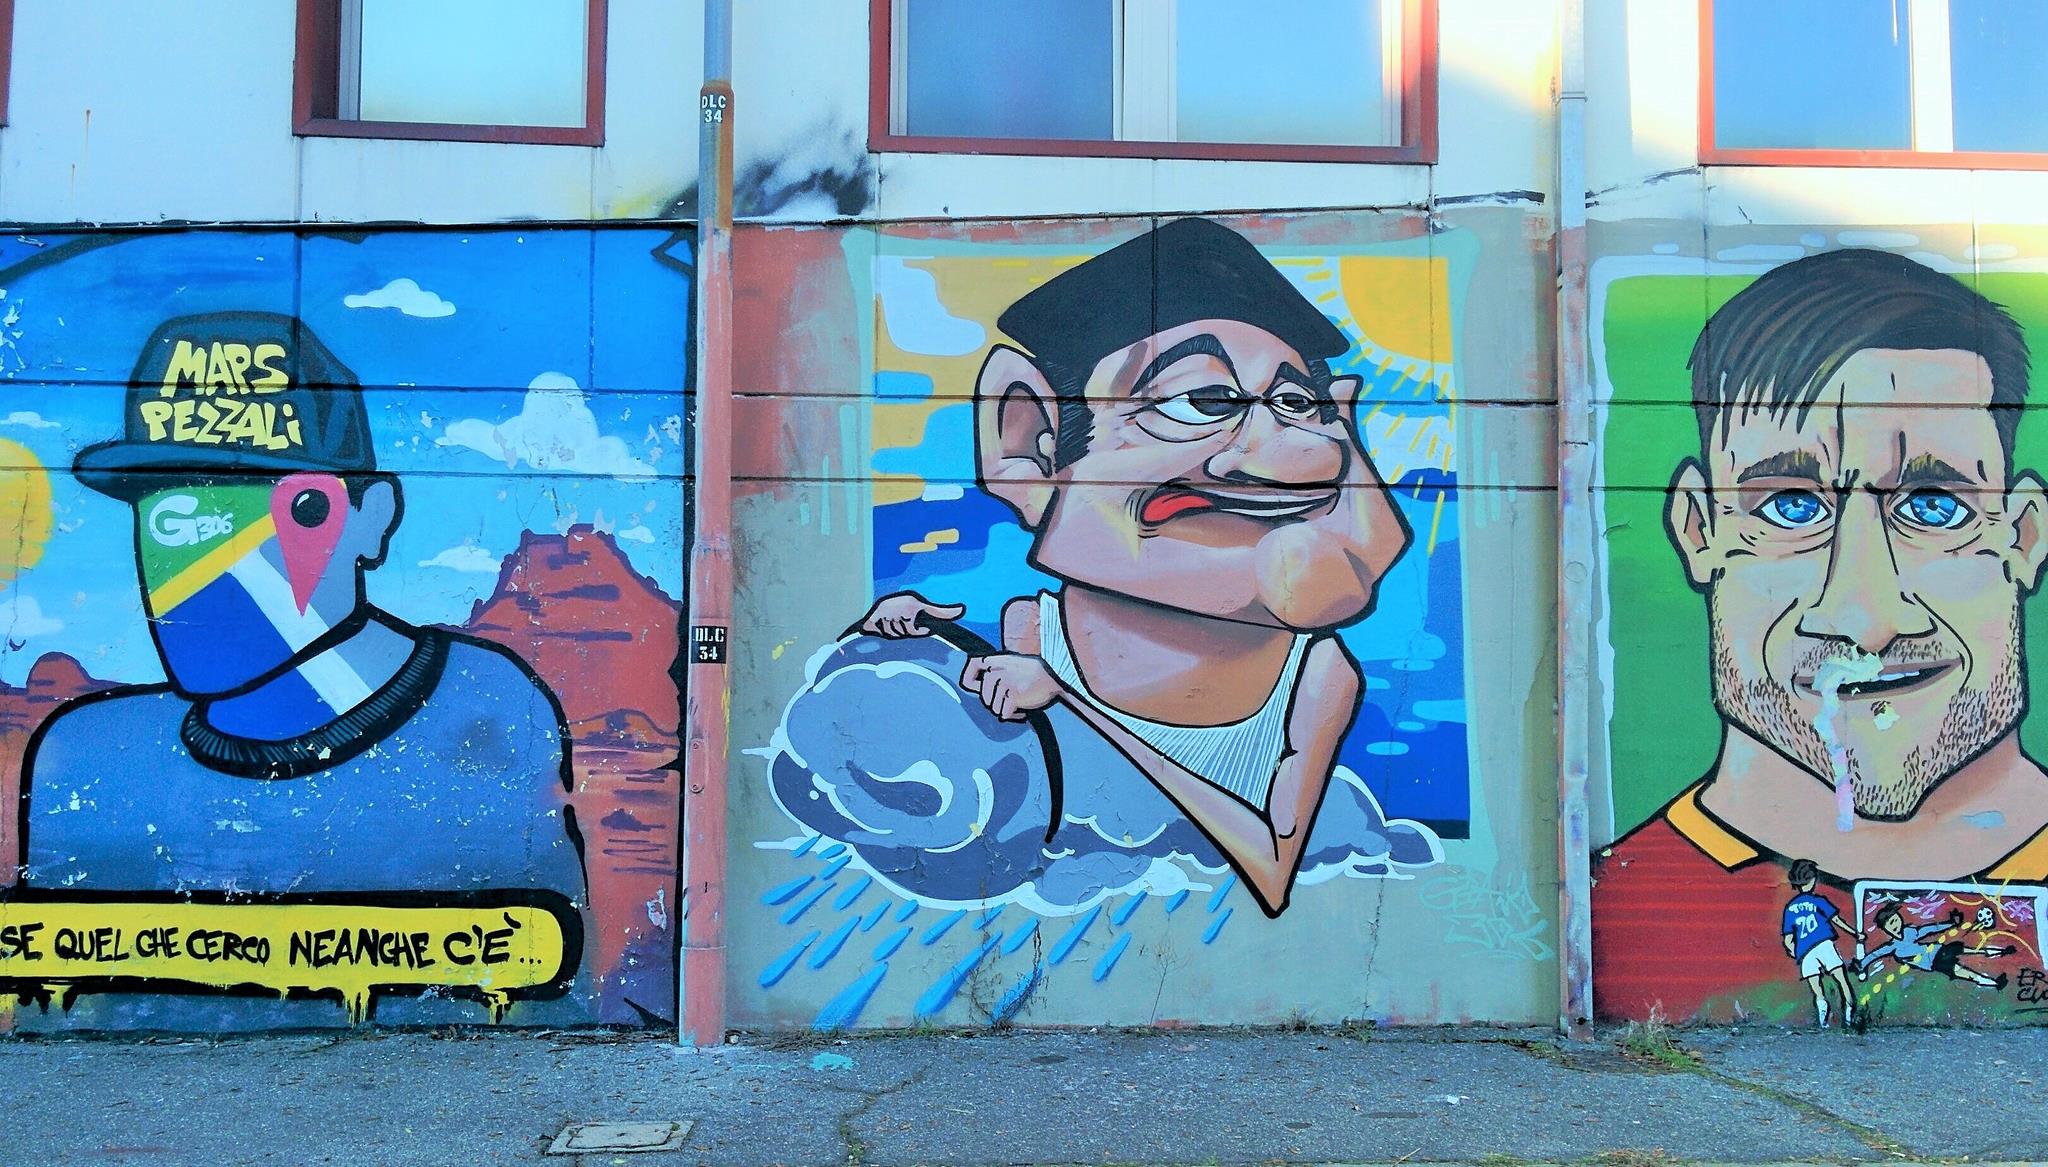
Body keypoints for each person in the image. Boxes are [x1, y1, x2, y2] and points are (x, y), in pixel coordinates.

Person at [15, 312, 586, 1020]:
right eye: (173, 517)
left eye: (289, 510)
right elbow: (50, 1006)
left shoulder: (489, 705)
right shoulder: (89, 756)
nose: (202, 570)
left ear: (372, 516)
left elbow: (556, 991)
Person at [857, 218, 1412, 917]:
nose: (1297, 452)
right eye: (1205, 399)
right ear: (1029, 441)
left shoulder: (1318, 675)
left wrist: (1070, 703)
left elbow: (1269, 870)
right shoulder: (1028, 628)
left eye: (1295, 403)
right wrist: (906, 642)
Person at [1594, 249, 2048, 1019]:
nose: (1864, 616)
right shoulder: (1604, 914)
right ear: (1698, 529)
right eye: (1790, 506)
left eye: (1933, 505)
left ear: (2024, 536)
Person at [1857, 904, 2014, 990]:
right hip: (1934, 963)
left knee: (1967, 950)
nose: (1896, 923)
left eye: (1896, 919)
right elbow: (1874, 955)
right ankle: (1995, 983)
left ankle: (2000, 952)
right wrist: (1861, 965)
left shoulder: (1909, 931)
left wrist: (1950, 923)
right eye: (1891, 923)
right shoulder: (1892, 947)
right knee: (1964, 972)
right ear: (1885, 929)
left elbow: (1929, 929)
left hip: (1938, 950)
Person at [1780, 859, 1856, 1027]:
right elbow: (1837, 920)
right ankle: (1849, 1016)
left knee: (1817, 990)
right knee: (1842, 980)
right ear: (1813, 879)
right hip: (1824, 944)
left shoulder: (1790, 908)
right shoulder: (1819, 901)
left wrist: (1795, 952)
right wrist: (1855, 933)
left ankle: (1823, 1022)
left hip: (1805, 952)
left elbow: (1788, 939)